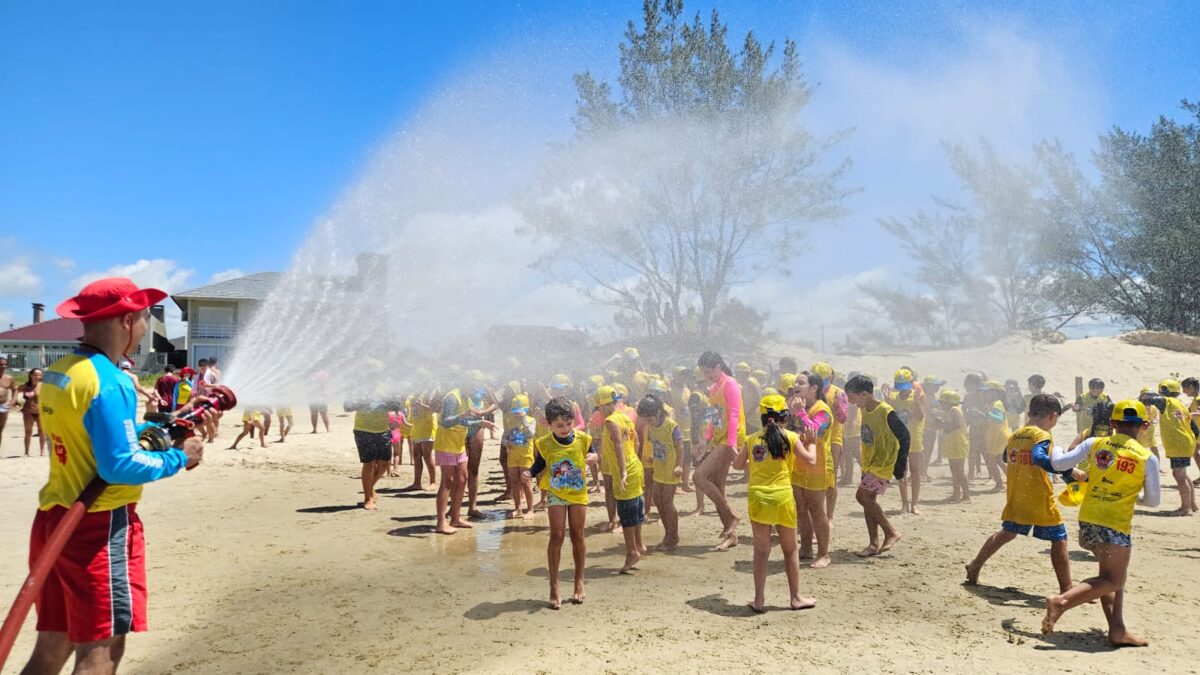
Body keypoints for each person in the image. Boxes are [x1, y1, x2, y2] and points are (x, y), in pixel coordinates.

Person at [21, 278, 207, 675]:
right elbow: (118, 467)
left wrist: (149, 431)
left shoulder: (59, 371)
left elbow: (90, 437)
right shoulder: (110, 380)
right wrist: (179, 457)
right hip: (98, 527)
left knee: (51, 647)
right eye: (143, 318)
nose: (144, 328)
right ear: (127, 320)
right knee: (100, 652)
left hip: (54, 517)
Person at [1044, 399, 1161, 647]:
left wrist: (1057, 447)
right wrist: (1132, 496)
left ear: (1112, 423)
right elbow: (1153, 501)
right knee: (1113, 580)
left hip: (1089, 519)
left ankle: (1117, 629)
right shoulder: (1146, 457)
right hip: (1115, 523)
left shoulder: (1095, 443)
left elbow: (1058, 464)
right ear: (1144, 425)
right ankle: (1061, 602)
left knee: (1110, 576)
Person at [966, 394, 1079, 592]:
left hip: (1017, 493)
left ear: (1029, 413)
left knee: (1007, 532)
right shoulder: (1042, 435)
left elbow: (1005, 456)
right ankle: (1067, 588)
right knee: (1059, 538)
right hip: (1038, 496)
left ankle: (975, 565)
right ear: (1053, 416)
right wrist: (1068, 471)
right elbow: (1039, 458)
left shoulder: (1016, 434)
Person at [733, 394, 817, 613]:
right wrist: (812, 443)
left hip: (758, 498)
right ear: (785, 417)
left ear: (762, 417)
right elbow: (811, 461)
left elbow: (737, 465)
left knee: (761, 552)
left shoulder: (752, 439)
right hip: (783, 498)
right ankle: (795, 598)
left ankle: (759, 600)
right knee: (790, 550)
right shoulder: (791, 437)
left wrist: (754, 461)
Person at [527, 397, 591, 609]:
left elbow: (592, 453)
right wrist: (529, 473)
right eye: (559, 425)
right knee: (557, 535)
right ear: (550, 424)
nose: (564, 429)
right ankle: (554, 584)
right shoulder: (545, 442)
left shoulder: (582, 439)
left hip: (577, 493)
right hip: (555, 493)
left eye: (568, 424)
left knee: (578, 534)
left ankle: (579, 580)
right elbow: (539, 463)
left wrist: (594, 458)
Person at [844, 374, 908, 557]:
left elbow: (904, 436)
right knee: (868, 501)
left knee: (862, 496)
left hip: (884, 463)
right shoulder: (865, 408)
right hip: (870, 462)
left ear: (864, 394)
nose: (851, 402)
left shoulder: (886, 411)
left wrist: (900, 466)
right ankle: (873, 544)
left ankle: (891, 532)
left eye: (852, 398)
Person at [694, 351, 746, 551]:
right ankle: (730, 535)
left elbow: (734, 414)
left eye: (708, 372)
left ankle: (731, 516)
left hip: (730, 437)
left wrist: (731, 442)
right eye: (703, 373)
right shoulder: (714, 387)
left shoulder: (730, 383)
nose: (706, 376)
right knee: (717, 486)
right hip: (719, 438)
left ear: (718, 367)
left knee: (699, 476)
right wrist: (705, 440)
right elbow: (714, 416)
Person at [434, 379, 495, 534]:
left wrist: (481, 423)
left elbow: (465, 421)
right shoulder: (452, 397)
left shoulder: (467, 399)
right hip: (446, 443)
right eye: (473, 388)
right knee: (447, 481)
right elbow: (446, 422)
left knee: (462, 479)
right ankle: (441, 522)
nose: (475, 392)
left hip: (458, 443)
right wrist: (462, 415)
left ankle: (456, 518)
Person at [790, 372, 833, 568]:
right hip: (798, 463)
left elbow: (815, 432)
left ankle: (824, 553)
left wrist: (800, 413)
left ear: (814, 388)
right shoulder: (799, 406)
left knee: (816, 509)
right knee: (800, 508)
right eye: (795, 382)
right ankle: (806, 547)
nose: (795, 385)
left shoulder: (822, 410)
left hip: (817, 466)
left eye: (801, 383)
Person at [637, 394, 684, 550]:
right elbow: (657, 444)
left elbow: (680, 447)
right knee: (657, 500)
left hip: (671, 470)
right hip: (658, 469)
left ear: (658, 412)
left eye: (649, 419)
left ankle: (673, 536)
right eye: (645, 419)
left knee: (667, 502)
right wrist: (653, 456)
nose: (647, 422)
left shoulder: (672, 426)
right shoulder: (650, 427)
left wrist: (680, 465)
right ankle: (668, 533)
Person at [811, 362, 849, 521]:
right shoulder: (809, 391)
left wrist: (837, 408)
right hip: (814, 437)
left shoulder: (838, 393)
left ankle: (830, 516)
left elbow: (843, 418)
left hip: (833, 438)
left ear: (831, 377)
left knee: (831, 478)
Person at [1156, 378, 1197, 516]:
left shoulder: (1166, 402)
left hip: (1178, 444)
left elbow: (1150, 398)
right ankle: (1192, 504)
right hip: (1185, 442)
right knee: (1183, 474)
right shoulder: (1180, 404)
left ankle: (1186, 508)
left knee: (1178, 475)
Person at [345, 394, 393, 510]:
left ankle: (370, 488)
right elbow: (347, 407)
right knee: (369, 463)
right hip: (363, 430)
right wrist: (362, 401)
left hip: (383, 430)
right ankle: (368, 498)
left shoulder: (388, 387)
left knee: (385, 463)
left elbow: (395, 405)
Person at [889, 368, 925, 515]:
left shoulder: (919, 395)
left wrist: (916, 402)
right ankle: (904, 503)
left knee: (915, 470)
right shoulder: (893, 396)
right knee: (902, 471)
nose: (903, 390)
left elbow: (920, 417)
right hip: (899, 438)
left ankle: (914, 504)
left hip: (914, 437)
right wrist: (887, 401)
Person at [504, 394, 537, 519]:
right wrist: (506, 443)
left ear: (526, 409)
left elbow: (531, 434)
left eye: (520, 411)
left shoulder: (531, 420)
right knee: (514, 482)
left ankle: (530, 509)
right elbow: (504, 436)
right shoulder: (510, 421)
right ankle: (518, 508)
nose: (517, 414)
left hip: (526, 455)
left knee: (526, 482)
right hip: (512, 455)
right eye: (515, 411)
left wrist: (524, 420)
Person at [936, 390, 971, 502]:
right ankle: (956, 494)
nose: (941, 404)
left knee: (959, 471)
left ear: (950, 402)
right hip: (952, 443)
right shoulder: (948, 411)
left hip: (958, 443)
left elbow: (957, 424)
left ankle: (966, 495)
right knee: (954, 470)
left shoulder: (954, 410)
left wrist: (943, 425)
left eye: (943, 402)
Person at [408, 388, 438, 490]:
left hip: (427, 426)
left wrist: (421, 405)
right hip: (417, 426)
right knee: (416, 455)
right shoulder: (415, 392)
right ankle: (417, 483)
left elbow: (435, 408)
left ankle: (433, 482)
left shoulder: (431, 391)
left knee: (427, 456)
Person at [19, 368, 48, 457]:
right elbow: (16, 390)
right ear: (31, 375)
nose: (37, 377)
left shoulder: (44, 386)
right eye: (35, 375)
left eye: (39, 375)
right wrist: (15, 400)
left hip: (40, 412)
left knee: (42, 432)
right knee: (28, 432)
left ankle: (42, 451)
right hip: (28, 411)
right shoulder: (25, 386)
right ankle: (26, 452)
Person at [0, 355, 14, 449]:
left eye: (5, 364)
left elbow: (15, 390)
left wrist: (13, 400)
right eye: (1, 364)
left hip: (3, 405)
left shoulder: (9, 378)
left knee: (0, 430)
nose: (3, 366)